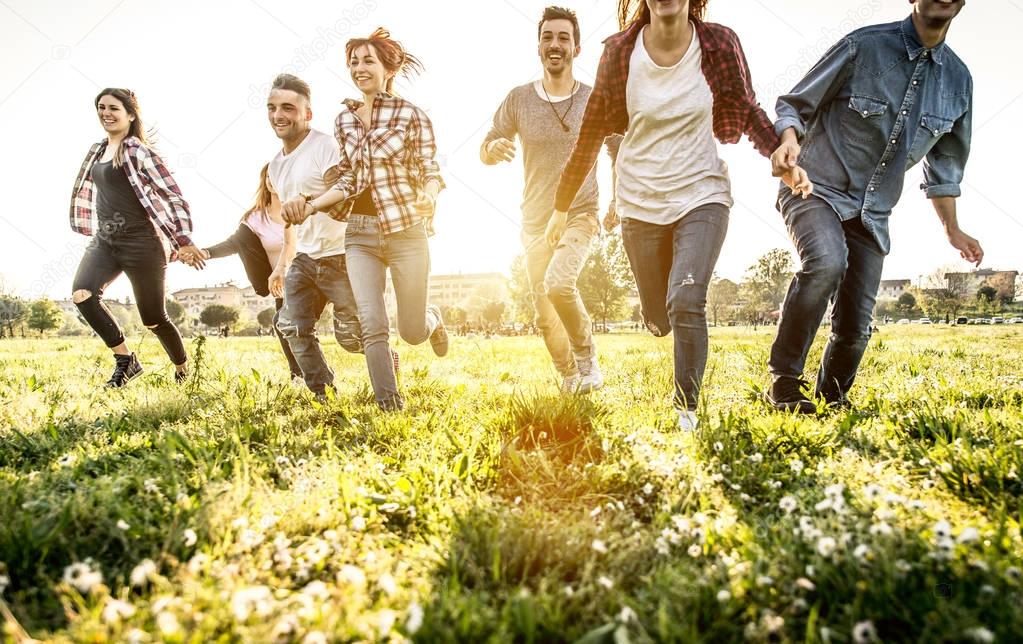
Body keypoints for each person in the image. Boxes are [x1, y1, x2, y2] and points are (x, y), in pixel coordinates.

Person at [553, 0, 812, 430]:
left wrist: (779, 156)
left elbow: (746, 109)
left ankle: (686, 413)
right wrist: (561, 207)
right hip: (640, 202)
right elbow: (592, 131)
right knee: (660, 317)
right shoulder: (620, 52)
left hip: (702, 193)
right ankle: (659, 315)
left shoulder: (719, 44)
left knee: (688, 299)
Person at [766, 0, 980, 413]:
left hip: (873, 211)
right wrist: (789, 140)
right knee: (826, 262)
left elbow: (945, 169)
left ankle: (832, 397)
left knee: (856, 323)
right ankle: (785, 384)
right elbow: (794, 104)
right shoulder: (862, 47)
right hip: (816, 188)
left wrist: (953, 230)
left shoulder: (957, 82)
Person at [283, 28, 449, 411]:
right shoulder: (344, 120)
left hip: (407, 230)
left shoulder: (411, 115)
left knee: (409, 331)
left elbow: (429, 167)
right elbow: (350, 178)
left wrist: (429, 192)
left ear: (388, 68)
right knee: (373, 323)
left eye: (367, 60)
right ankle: (390, 404)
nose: (359, 68)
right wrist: (311, 204)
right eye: (353, 62)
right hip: (360, 234)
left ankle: (432, 318)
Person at [482, 6, 619, 395]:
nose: (555, 45)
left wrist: (617, 202)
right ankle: (569, 376)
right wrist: (494, 147)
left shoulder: (595, 99)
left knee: (559, 283)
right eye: (547, 37)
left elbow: (617, 150)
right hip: (533, 221)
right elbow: (487, 144)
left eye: (563, 38)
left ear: (576, 47)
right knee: (544, 313)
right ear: (538, 45)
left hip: (580, 212)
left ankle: (587, 361)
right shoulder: (519, 99)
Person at [69, 88, 204, 388]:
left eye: (114, 108)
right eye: (101, 107)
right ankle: (126, 360)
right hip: (105, 241)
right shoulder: (96, 150)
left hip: (142, 242)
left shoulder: (137, 151)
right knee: (83, 294)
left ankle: (183, 369)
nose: (106, 113)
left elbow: (175, 196)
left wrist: (183, 239)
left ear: (130, 114)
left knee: (153, 318)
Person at [265, 73, 364, 402]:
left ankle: (386, 356)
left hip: (342, 255)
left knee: (353, 338)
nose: (279, 115)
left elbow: (345, 189)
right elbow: (289, 223)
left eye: (288, 108)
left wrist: (308, 201)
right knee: (291, 324)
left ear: (307, 113)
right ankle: (324, 393)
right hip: (306, 259)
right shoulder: (276, 166)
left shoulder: (325, 145)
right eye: (273, 107)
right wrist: (282, 264)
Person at [179, 164, 303, 383]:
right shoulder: (256, 218)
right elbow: (234, 243)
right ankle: (299, 374)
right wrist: (205, 253)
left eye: (280, 175)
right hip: (280, 285)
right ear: (265, 181)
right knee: (282, 324)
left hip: (310, 276)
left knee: (288, 323)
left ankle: (311, 372)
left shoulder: (302, 208)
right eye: (269, 176)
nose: (274, 180)